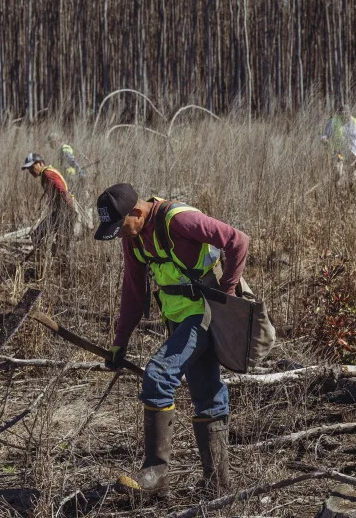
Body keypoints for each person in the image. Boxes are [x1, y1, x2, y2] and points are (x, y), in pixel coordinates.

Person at [94, 183, 251, 495]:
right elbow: (134, 291)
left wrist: (227, 295)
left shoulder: (178, 219)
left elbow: (237, 241)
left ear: (137, 212)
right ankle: (218, 485)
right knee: (206, 393)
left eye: (121, 226)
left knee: (158, 375)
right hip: (177, 319)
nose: (120, 235)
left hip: (204, 313)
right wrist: (120, 341)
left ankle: (156, 471)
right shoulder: (135, 238)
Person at [21, 152, 75, 251]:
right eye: (29, 169)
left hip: (65, 210)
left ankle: (46, 257)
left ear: (40, 163)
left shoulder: (47, 174)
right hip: (63, 209)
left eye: (32, 167)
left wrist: (70, 212)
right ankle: (50, 257)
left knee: (38, 235)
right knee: (61, 242)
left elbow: (63, 191)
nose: (31, 171)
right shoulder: (47, 173)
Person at [322, 104, 356, 184]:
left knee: (355, 178)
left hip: (355, 155)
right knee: (338, 176)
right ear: (339, 114)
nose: (344, 115)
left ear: (350, 113)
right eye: (342, 113)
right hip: (338, 155)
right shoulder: (333, 122)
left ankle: (353, 193)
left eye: (346, 113)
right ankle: (338, 192)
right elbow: (325, 135)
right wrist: (324, 139)